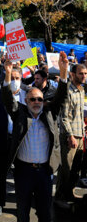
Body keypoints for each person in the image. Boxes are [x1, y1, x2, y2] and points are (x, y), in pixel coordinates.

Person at [2, 52, 69, 222]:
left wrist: (63, 72)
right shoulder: (20, 114)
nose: (36, 102)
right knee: (23, 211)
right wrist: (8, 74)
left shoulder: (49, 113)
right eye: (32, 99)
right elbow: (8, 99)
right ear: (26, 100)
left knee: (45, 212)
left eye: (39, 99)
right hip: (23, 171)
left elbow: (60, 97)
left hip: (45, 172)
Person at [0, 67, 26, 217]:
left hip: (21, 142)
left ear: (21, 79)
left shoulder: (27, 95)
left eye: (17, 78)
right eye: (11, 78)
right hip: (2, 139)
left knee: (22, 175)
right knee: (0, 174)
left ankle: (21, 204)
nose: (14, 81)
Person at [55, 64, 87, 208]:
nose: (84, 76)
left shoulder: (81, 90)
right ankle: (59, 197)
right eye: (81, 73)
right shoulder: (67, 90)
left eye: (85, 73)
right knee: (66, 168)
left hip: (80, 134)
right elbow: (64, 117)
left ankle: (69, 193)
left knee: (76, 168)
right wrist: (70, 136)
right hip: (70, 136)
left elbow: (79, 115)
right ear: (73, 74)